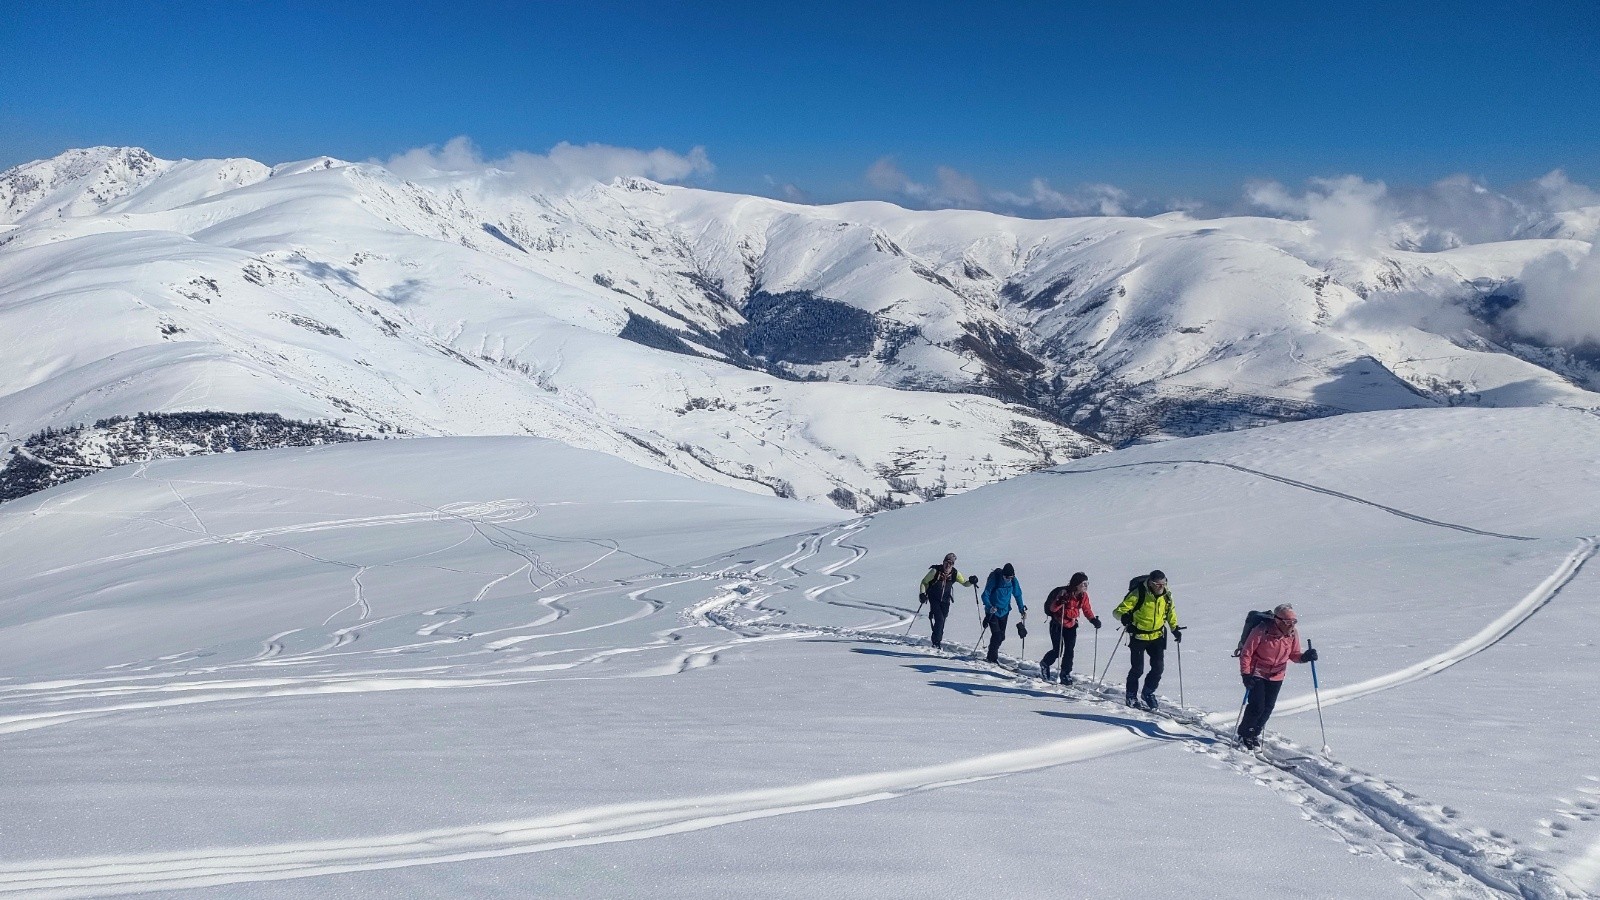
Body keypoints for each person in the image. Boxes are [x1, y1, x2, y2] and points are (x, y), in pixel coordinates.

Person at [1236, 604, 1318, 749]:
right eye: (1288, 622)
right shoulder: (1261, 630)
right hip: (1257, 672)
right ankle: (1245, 734)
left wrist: (1305, 657)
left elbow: (1294, 655)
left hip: (1277, 675)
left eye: (1294, 622)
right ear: (1277, 620)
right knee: (1257, 706)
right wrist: (1246, 674)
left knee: (1268, 707)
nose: (1291, 625)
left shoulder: (1292, 634)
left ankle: (1254, 733)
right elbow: (1246, 654)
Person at [1112, 569, 1179, 710]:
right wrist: (1124, 617)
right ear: (1151, 583)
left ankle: (1148, 692)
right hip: (1139, 636)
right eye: (1158, 584)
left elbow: (1170, 612)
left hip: (1157, 636)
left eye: (1164, 583)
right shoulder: (1139, 594)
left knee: (1158, 668)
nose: (1162, 587)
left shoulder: (1166, 595)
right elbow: (1118, 611)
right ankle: (1131, 696)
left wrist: (1175, 629)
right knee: (1137, 669)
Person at [1039, 572, 1101, 684]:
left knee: (1069, 650)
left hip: (1071, 625)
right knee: (1057, 650)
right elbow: (1052, 609)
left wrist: (1093, 620)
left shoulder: (1083, 596)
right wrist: (1059, 601)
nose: (1086, 586)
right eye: (1084, 584)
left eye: (1087, 583)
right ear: (1076, 584)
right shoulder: (1064, 593)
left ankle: (1065, 673)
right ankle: (1045, 664)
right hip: (1057, 624)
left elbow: (1086, 609)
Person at [918, 552, 978, 650]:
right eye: (946, 562)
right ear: (943, 562)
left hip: (946, 600)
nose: (948, 565)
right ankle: (936, 642)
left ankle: (937, 639)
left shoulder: (955, 573)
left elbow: (965, 583)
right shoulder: (935, 571)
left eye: (951, 563)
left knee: (942, 620)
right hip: (934, 599)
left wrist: (971, 581)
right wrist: (922, 593)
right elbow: (924, 582)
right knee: (940, 620)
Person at [980, 563, 1026, 663]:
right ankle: (991, 658)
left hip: (1004, 611)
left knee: (1002, 636)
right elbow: (985, 595)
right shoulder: (995, 579)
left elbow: (1018, 594)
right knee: (997, 635)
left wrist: (1021, 609)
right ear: (1003, 575)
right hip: (993, 611)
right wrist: (989, 606)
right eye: (1006, 577)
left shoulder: (1013, 581)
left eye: (1010, 577)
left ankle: (992, 651)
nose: (1008, 579)